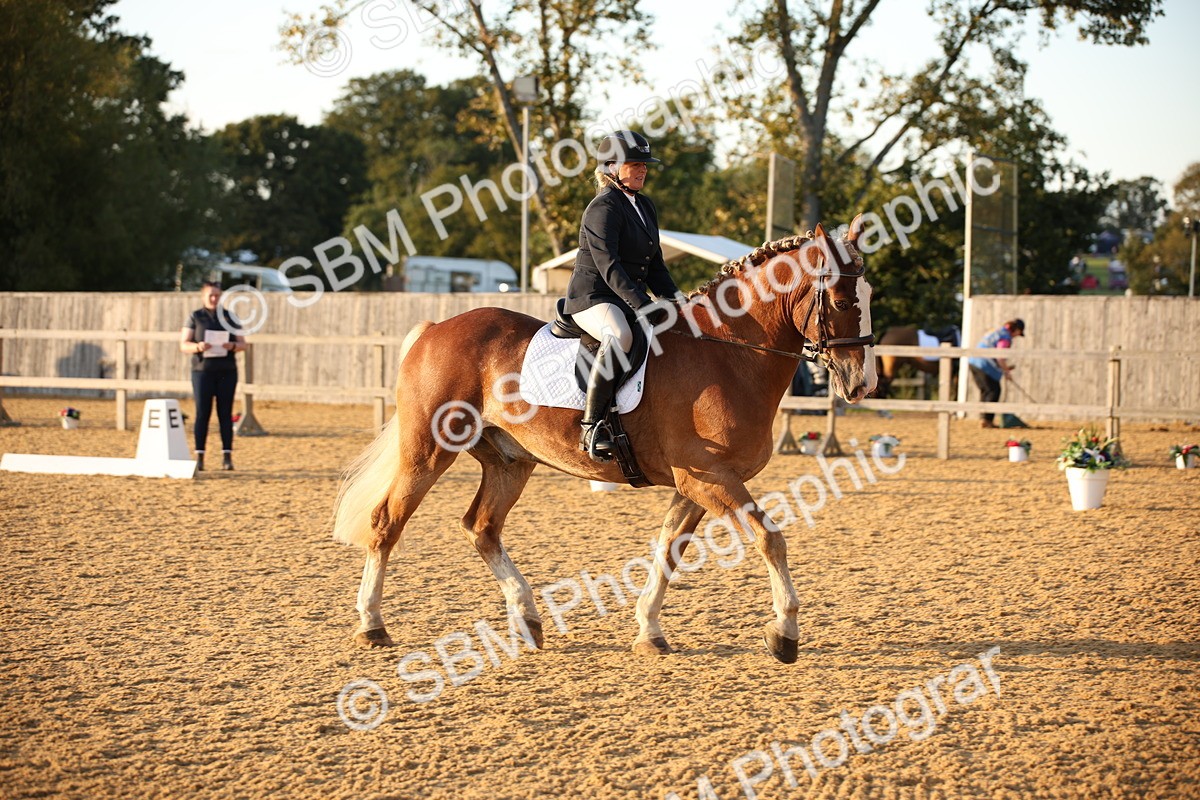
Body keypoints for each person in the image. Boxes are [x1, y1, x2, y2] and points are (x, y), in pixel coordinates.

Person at [563, 130, 680, 462]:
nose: (643, 170)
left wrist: (679, 301)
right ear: (611, 167)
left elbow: (655, 265)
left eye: (645, 164)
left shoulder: (644, 205)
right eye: (635, 164)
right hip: (593, 297)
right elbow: (608, 265)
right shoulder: (603, 208)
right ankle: (592, 425)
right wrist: (642, 304)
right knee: (621, 334)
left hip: (624, 297)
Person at [180, 281, 247, 470]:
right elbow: (183, 344)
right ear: (203, 297)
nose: (213, 298)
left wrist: (232, 346)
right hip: (202, 371)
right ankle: (199, 455)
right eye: (210, 295)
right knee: (203, 413)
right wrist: (198, 347)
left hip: (226, 371)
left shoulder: (230, 317)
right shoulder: (195, 317)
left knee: (225, 413)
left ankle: (227, 456)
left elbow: (243, 344)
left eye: (217, 295)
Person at [968, 319, 1024, 428]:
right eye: (1019, 333)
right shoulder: (1005, 338)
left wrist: (1006, 368)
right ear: (1016, 330)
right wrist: (1006, 372)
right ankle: (987, 420)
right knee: (994, 391)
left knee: (986, 391)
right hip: (984, 364)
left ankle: (984, 419)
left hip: (974, 362)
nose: (1017, 336)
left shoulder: (996, 331)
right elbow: (999, 356)